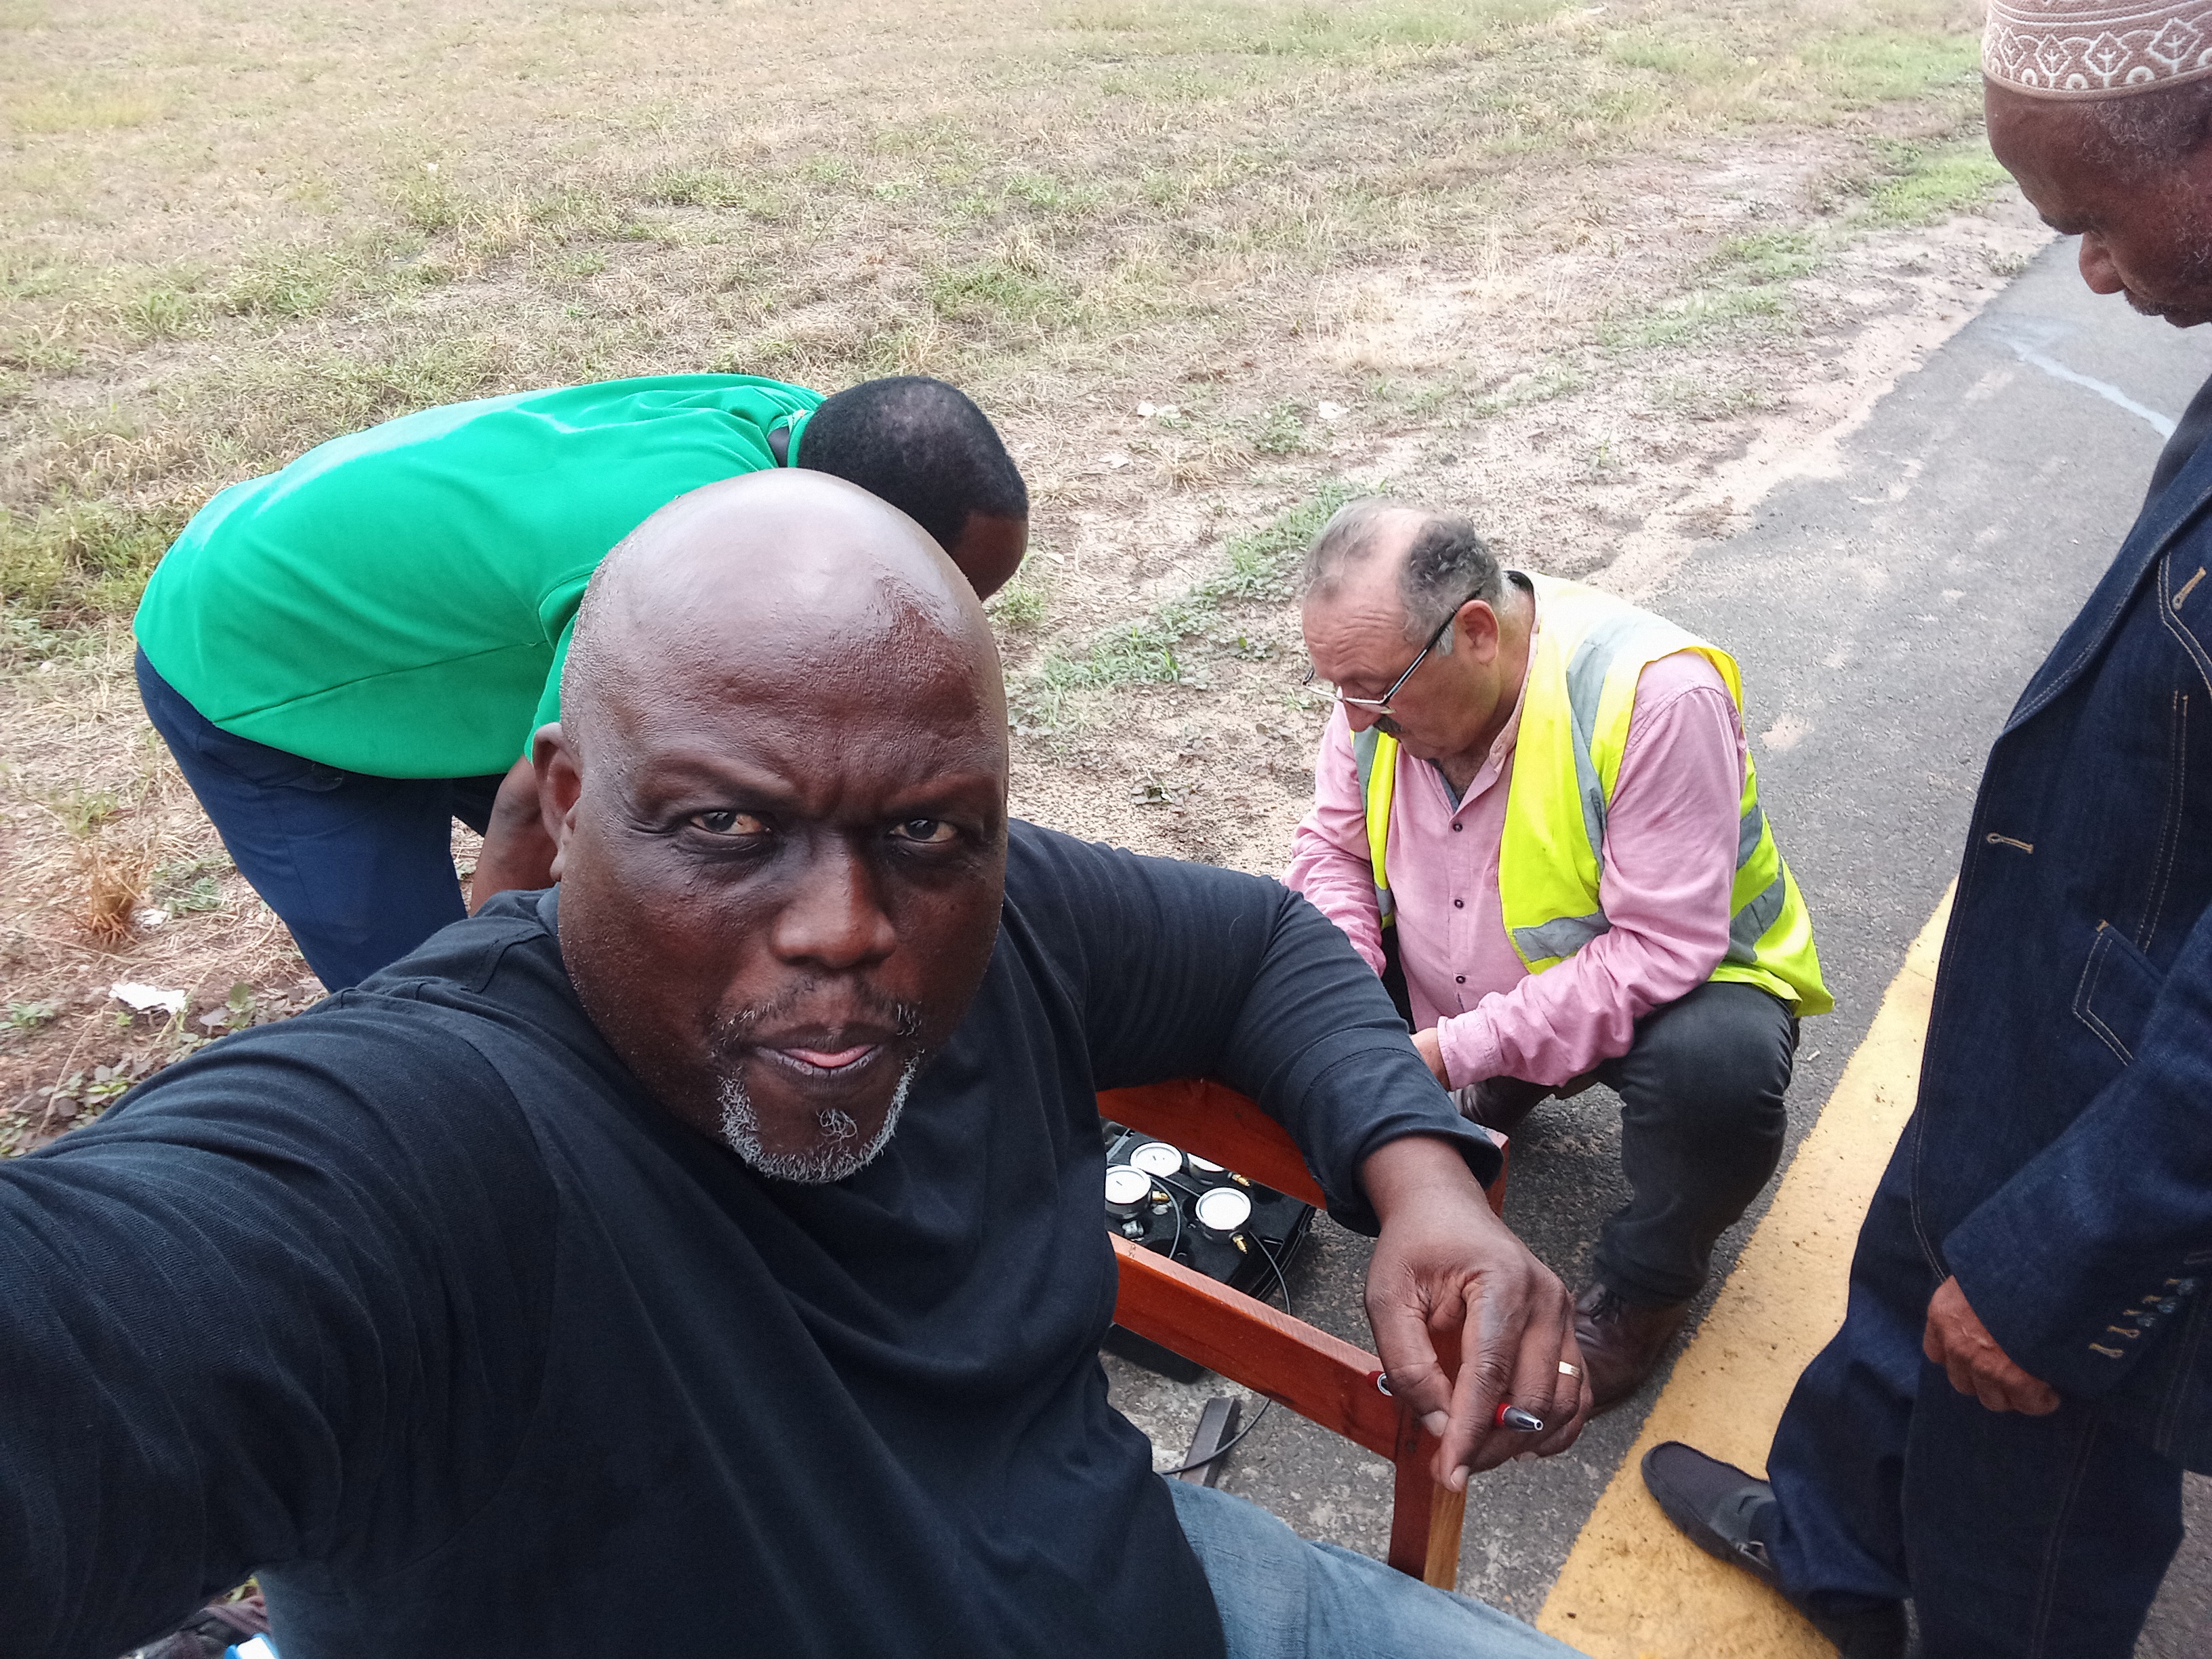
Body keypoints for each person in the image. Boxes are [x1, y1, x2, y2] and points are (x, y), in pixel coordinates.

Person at [9, 470, 1595, 1659]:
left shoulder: (1003, 907)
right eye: (724, 825)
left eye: (927, 828)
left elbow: (1258, 946)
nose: (845, 927)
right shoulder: (431, 1137)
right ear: (568, 805)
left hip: (1156, 1585)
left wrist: (1424, 1181)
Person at [1643, 8, 2212, 1655]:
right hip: (2043, 1017)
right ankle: (1834, 1545)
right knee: (1902, 1286)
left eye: (2090, 218)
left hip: (2122, 1133)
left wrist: (2065, 1261)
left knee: (2024, 1499)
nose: (2087, 270)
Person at [131, 371, 1029, 991]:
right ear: (849, 527)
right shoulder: (677, 556)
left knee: (661, 850)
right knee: (433, 991)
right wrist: (504, 1006)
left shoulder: (805, 439)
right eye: (923, 594)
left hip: (404, 616)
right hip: (251, 654)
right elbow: (534, 808)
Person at [1286, 500, 1830, 1411]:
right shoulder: (1381, 692)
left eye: (1373, 688)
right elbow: (1333, 852)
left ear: (1475, 633)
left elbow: (1660, 946)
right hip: (1487, 980)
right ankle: (1506, 1073)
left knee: (1717, 1070)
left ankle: (1647, 1288)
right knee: (1289, 949)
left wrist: (1455, 1049)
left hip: (1667, 982)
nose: (1355, 718)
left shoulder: (1655, 696)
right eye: (1334, 686)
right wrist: (1344, 992)